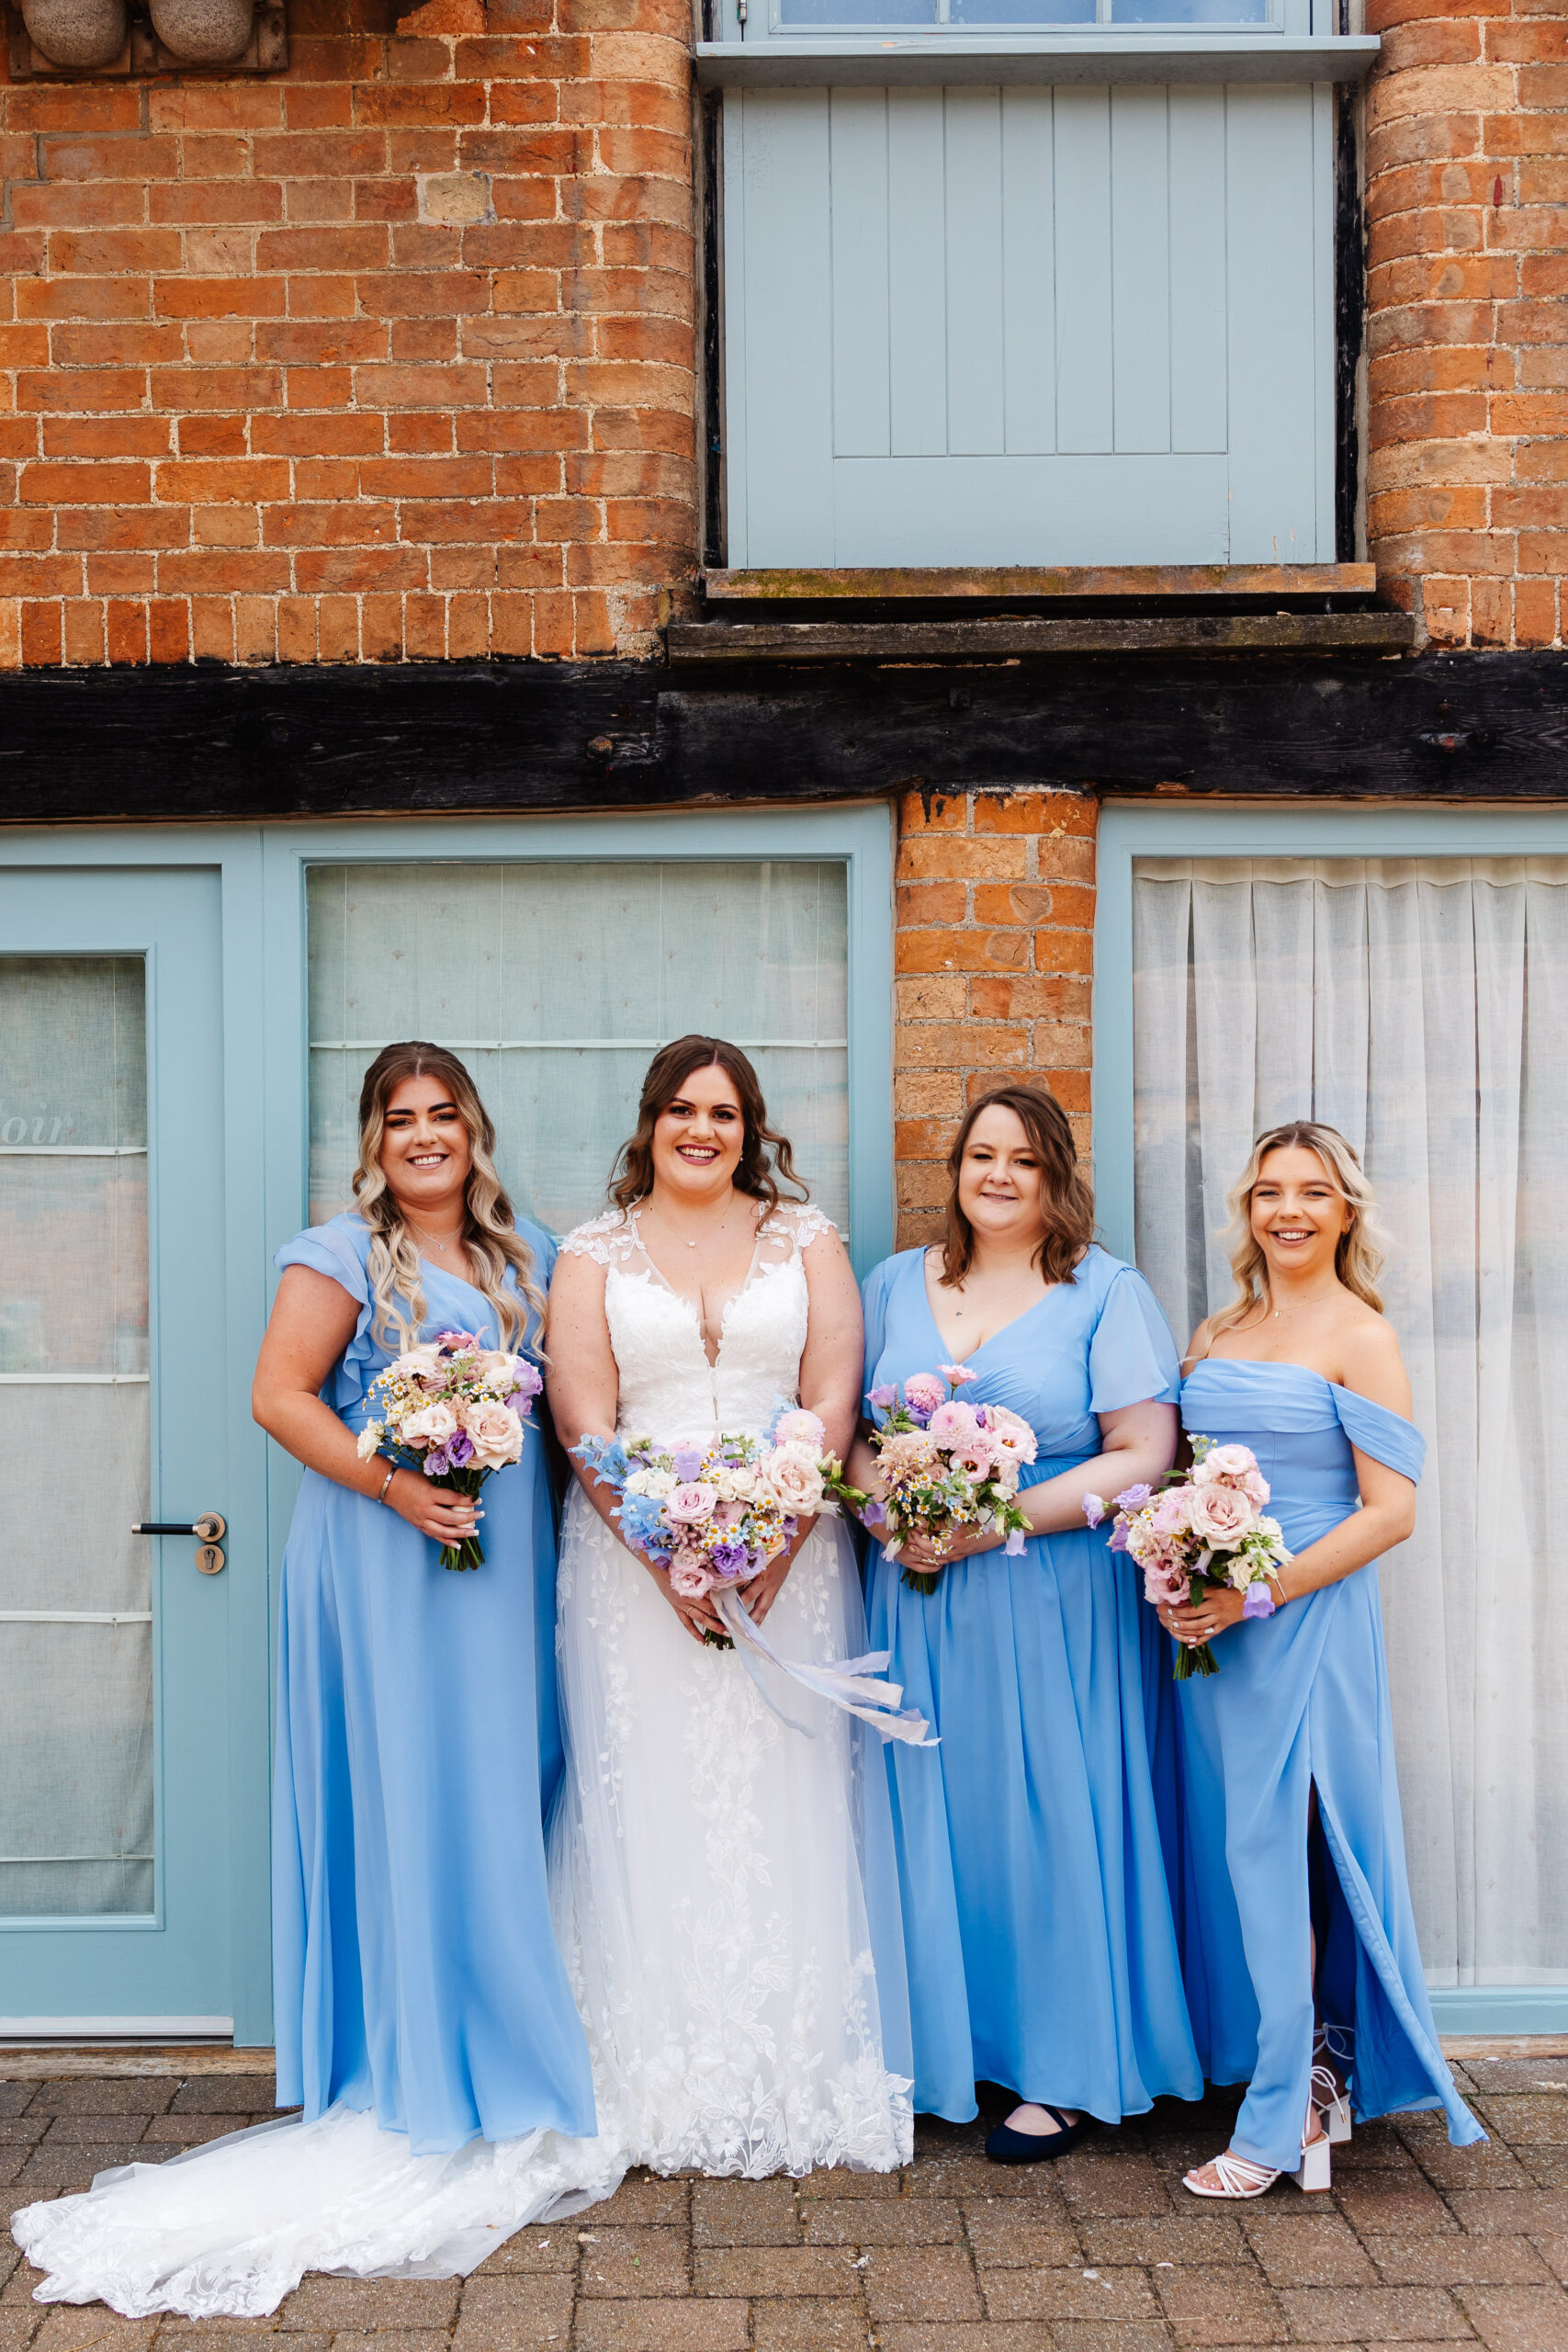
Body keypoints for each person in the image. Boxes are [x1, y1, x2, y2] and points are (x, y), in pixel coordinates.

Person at [12, 1042, 602, 2316]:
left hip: (499, 1567)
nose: (426, 1137)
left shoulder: (527, 1257)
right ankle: (422, 2066)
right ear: (373, 1140)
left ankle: (495, 2037)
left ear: (476, 1130)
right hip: (382, 1559)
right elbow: (279, 1398)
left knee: (499, 1790)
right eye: (403, 1120)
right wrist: (399, 1483)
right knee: (406, 1794)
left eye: (446, 1115)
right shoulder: (335, 1253)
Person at [543, 1034, 914, 2180]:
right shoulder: (590, 1251)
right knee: (645, 1788)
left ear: (752, 1130)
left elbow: (831, 1395)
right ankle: (649, 2063)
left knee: (784, 1791)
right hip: (628, 1568)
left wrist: (784, 1538)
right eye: (681, 1109)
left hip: (792, 1561)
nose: (702, 1129)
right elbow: (582, 1417)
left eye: (725, 1112)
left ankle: (791, 2062)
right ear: (649, 1122)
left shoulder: (805, 1240)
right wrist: (663, 1559)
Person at [848, 1084, 1202, 2160]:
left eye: (1024, 1160)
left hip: (1049, 1591)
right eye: (980, 1156)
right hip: (917, 1588)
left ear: (1056, 1176)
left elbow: (1144, 1449)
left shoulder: (1104, 1289)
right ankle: (941, 2052)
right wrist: (887, 1509)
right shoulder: (892, 1282)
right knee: (928, 1810)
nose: (998, 1175)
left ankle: (1062, 2068)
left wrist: (989, 1521)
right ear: (954, 1169)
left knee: (1050, 1811)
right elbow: (848, 1428)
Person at [1166, 1121, 1483, 2199]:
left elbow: (1391, 1512)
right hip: (1217, 1629)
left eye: (1312, 1191)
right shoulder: (1222, 1325)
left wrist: (1261, 1587)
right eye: (1267, 1191)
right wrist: (1179, 1570)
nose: (1288, 1209)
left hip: (1304, 1620)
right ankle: (1310, 2073)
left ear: (1347, 1210)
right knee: (1251, 1860)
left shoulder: (1361, 1333)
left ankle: (1280, 2122)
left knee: (1274, 1856)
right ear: (1246, 1210)